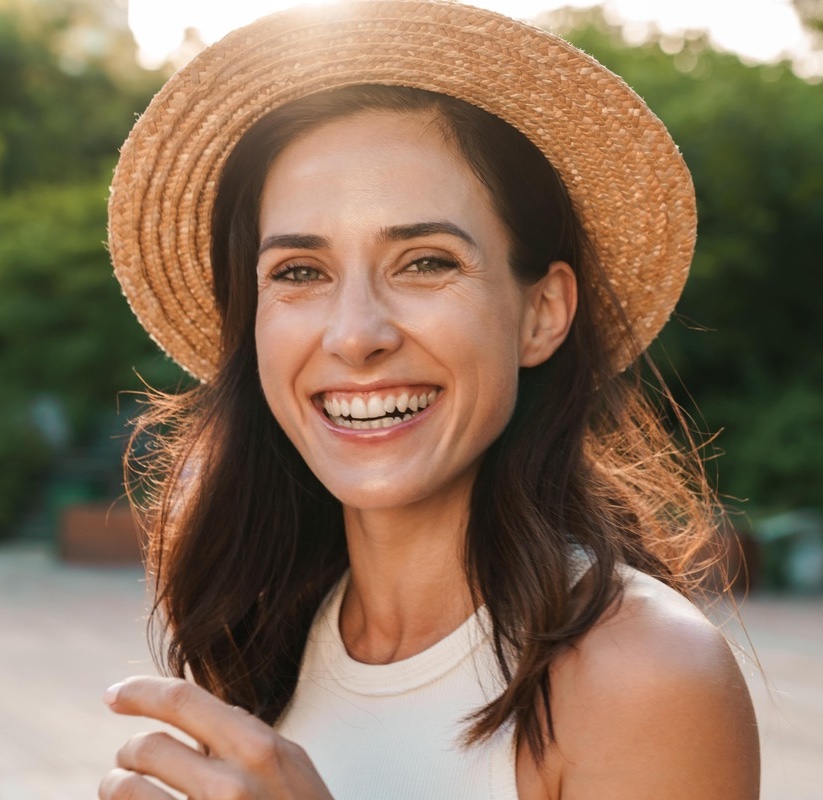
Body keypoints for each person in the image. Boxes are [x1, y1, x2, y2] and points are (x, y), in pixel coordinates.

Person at [100, 1, 760, 798]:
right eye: (300, 272)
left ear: (540, 313)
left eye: (424, 262)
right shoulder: (260, 635)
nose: (355, 335)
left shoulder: (645, 672)